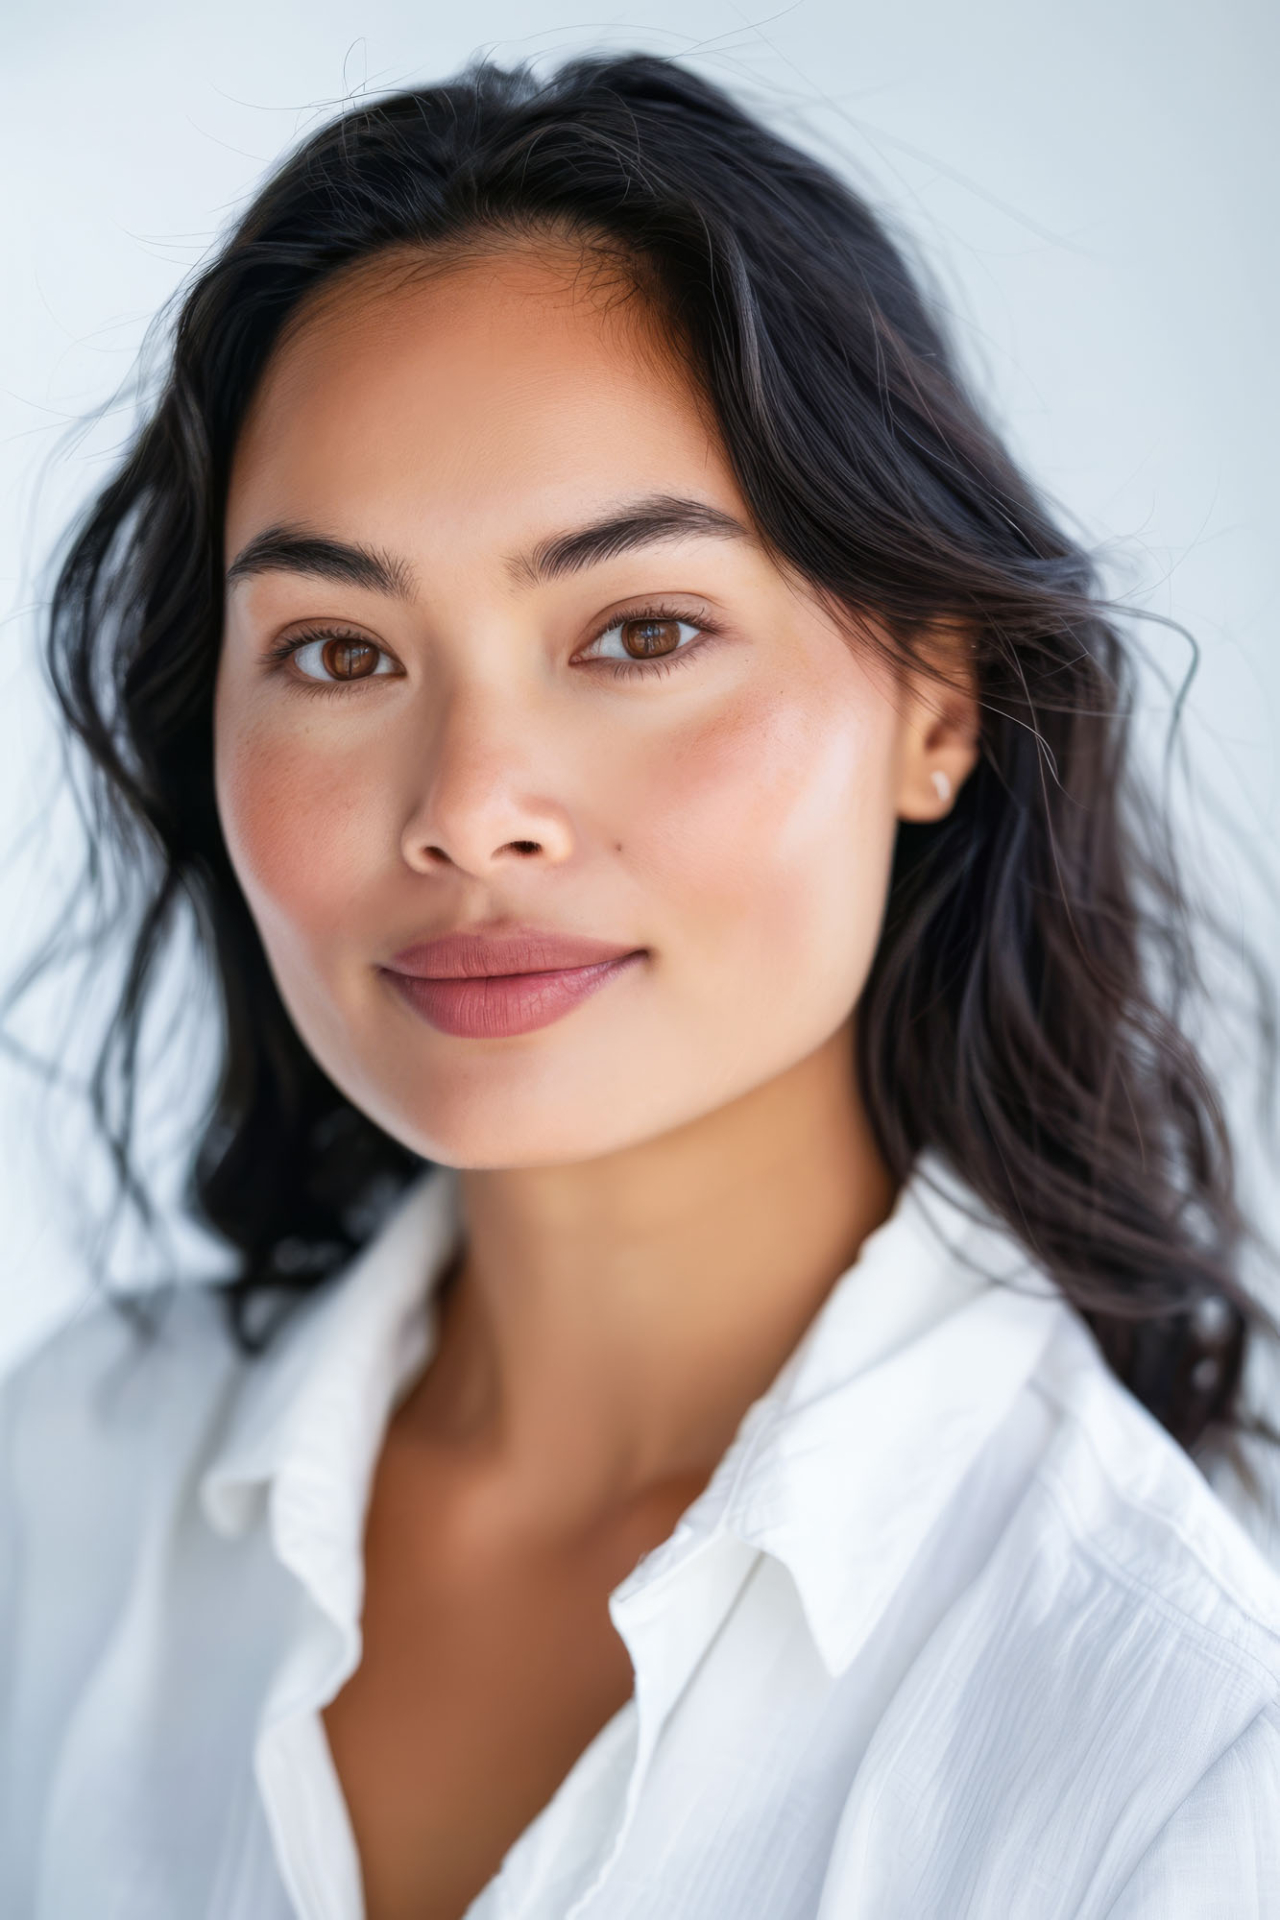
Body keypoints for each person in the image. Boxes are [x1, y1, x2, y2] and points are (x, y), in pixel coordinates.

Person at [1, 50, 1278, 1920]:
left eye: (640, 630)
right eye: (343, 652)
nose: (467, 812)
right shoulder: (64, 1493)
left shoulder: (1174, 1750)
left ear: (937, 701)